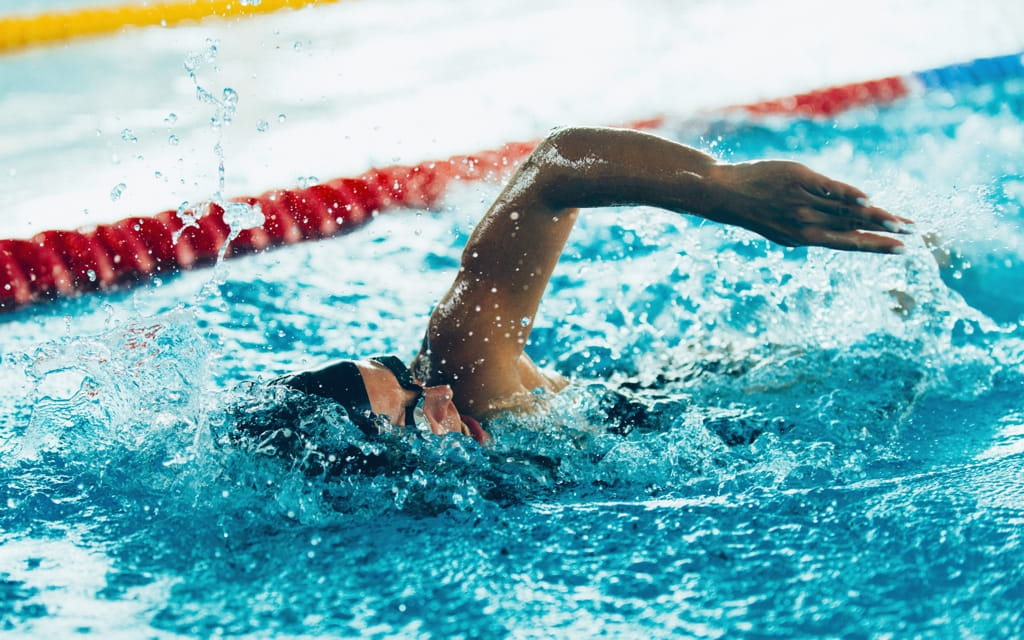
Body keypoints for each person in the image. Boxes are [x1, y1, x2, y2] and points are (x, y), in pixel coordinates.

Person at [266, 126, 913, 447]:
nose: (434, 393)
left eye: (402, 376)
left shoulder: (463, 377)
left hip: (674, 407)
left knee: (887, 346)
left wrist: (721, 188)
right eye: (412, 414)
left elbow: (554, 167)